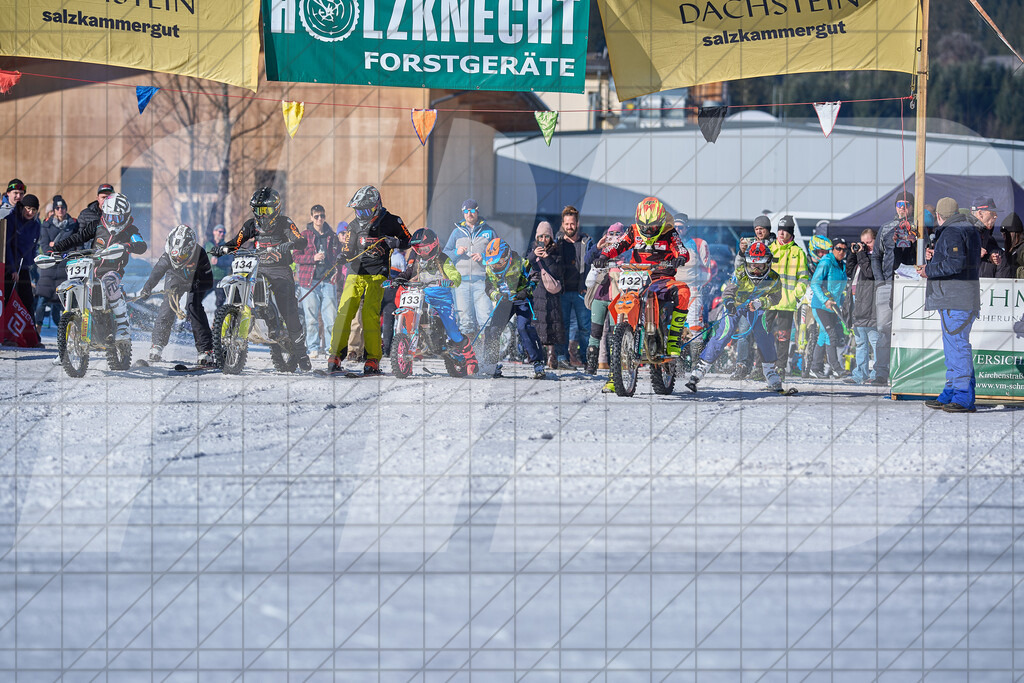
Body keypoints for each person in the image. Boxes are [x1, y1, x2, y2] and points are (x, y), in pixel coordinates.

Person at [218, 187, 312, 372]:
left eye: (266, 210)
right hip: (257, 268)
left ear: (276, 208)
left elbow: (300, 240)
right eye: (258, 210)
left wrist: (290, 244)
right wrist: (222, 249)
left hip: (280, 271)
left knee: (288, 309)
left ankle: (301, 353)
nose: (262, 214)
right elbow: (237, 241)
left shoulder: (285, 223)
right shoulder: (251, 225)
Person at [592, 196, 690, 366]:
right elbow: (618, 245)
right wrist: (603, 256)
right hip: (638, 276)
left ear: (660, 222)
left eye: (652, 227)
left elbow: (680, 248)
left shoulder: (669, 231)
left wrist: (680, 257)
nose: (647, 230)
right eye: (644, 226)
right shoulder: (633, 230)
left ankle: (674, 336)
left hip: (662, 278)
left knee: (683, 291)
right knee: (620, 304)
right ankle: (616, 370)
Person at [327, 185, 411, 375]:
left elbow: (409, 239)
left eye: (364, 210)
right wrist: (343, 256)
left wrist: (396, 242)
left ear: (375, 206)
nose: (360, 214)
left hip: (377, 274)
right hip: (355, 273)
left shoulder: (391, 220)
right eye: (357, 210)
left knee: (369, 315)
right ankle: (336, 356)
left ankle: (373, 359)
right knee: (344, 312)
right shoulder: (354, 225)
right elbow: (348, 249)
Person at [686, 241, 786, 393]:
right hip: (737, 305)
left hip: (757, 306)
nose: (757, 270)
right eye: (753, 265)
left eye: (761, 265)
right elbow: (728, 291)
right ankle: (701, 368)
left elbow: (776, 297)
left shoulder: (773, 278)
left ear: (768, 263)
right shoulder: (740, 273)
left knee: (764, 333)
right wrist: (730, 303)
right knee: (725, 332)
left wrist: (762, 302)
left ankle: (770, 371)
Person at [50, 192, 147, 343]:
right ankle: (69, 337)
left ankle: (123, 324)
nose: (113, 222)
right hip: (91, 268)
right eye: (110, 217)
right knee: (76, 283)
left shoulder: (130, 230)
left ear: (126, 216)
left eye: (118, 218)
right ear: (104, 214)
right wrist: (56, 248)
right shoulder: (97, 225)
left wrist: (127, 246)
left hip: (112, 271)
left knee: (109, 282)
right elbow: (78, 237)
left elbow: (141, 245)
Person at [917, 197, 982, 413]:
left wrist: (929, 270)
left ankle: (963, 397)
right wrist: (936, 257)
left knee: (958, 347)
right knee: (953, 348)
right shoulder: (965, 228)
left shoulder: (953, 230)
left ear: (939, 215)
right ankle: (952, 391)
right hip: (959, 296)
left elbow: (956, 263)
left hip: (956, 298)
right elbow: (958, 259)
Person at [395, 228, 477, 371]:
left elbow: (455, 275)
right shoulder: (418, 260)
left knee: (452, 332)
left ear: (433, 246)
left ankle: (471, 359)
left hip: (442, 299)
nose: (422, 253)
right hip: (423, 295)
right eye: (418, 249)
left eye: (425, 249)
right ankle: (409, 351)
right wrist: (398, 279)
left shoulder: (443, 259)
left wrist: (450, 280)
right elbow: (409, 272)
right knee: (409, 316)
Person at [133, 224, 215, 366]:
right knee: (167, 307)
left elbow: (208, 282)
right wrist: (147, 288)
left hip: (196, 280)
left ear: (190, 250)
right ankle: (157, 344)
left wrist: (195, 286)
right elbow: (157, 272)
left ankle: (206, 350)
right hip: (175, 277)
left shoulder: (200, 254)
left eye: (182, 255)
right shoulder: (168, 256)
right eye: (174, 255)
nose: (177, 259)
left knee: (193, 307)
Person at [870, 191, 918, 386]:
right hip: (888, 283)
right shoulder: (887, 227)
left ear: (913, 207)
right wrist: (880, 281)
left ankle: (907, 371)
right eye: (899, 203)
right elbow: (876, 256)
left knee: (910, 329)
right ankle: (881, 372)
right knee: (883, 329)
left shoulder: (920, 227)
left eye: (906, 204)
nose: (902, 207)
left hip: (912, 285)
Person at [481, 237, 546, 379]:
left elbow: (535, 277)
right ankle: (490, 363)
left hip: (522, 300)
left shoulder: (521, 263)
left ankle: (538, 362)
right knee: (493, 329)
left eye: (498, 262)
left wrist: (526, 291)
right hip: (504, 301)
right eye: (492, 262)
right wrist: (497, 296)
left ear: (506, 257)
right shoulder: (490, 268)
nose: (495, 265)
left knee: (523, 327)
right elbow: (489, 287)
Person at [761, 214, 808, 379]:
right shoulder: (770, 249)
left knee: (783, 337)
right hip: (768, 300)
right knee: (762, 334)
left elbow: (803, 278)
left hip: (787, 302)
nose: (781, 233)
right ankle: (762, 366)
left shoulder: (798, 252)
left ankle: (780, 368)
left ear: (791, 233)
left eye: (785, 230)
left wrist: (796, 295)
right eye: (780, 230)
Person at [294, 204, 341, 359]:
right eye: (316, 216)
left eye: (322, 216)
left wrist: (336, 273)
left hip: (328, 281)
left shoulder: (332, 236)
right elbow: (296, 256)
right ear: (311, 218)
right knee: (311, 318)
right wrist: (312, 258)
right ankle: (313, 347)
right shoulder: (304, 235)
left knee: (330, 319)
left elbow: (339, 258)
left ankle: (330, 348)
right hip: (309, 282)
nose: (320, 219)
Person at [443, 199, 495, 338]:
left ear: (477, 211)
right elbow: (445, 255)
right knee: (465, 320)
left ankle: (487, 354)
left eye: (472, 211)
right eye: (466, 211)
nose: (469, 214)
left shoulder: (488, 232)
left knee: (486, 318)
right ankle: (469, 354)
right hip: (461, 283)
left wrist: (484, 257)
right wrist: (456, 252)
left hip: (482, 282)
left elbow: (498, 254)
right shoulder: (456, 233)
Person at [554, 205, 594, 367]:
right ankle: (561, 358)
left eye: (572, 224)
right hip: (562, 291)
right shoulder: (557, 243)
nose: (569, 227)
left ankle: (586, 360)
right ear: (562, 224)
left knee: (585, 328)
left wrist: (588, 285)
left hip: (581, 291)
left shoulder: (587, 242)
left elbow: (593, 262)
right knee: (561, 327)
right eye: (566, 224)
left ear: (577, 224)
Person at [583, 222, 625, 374]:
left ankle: (616, 365)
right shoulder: (602, 250)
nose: (613, 237)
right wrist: (598, 247)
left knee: (615, 334)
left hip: (617, 298)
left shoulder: (626, 251)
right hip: (599, 295)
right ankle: (591, 365)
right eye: (611, 234)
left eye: (617, 234)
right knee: (595, 331)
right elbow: (587, 260)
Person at [34, 195, 79, 330]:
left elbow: (75, 245)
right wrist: (60, 247)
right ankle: (37, 330)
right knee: (42, 301)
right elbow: (45, 245)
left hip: (65, 268)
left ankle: (67, 332)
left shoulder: (73, 224)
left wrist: (56, 245)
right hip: (49, 267)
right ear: (54, 210)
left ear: (66, 209)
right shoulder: (46, 225)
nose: (60, 210)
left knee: (65, 303)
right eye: (58, 208)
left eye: (63, 208)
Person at [673, 214, 712, 366]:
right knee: (674, 327)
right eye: (674, 227)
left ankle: (696, 363)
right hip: (673, 289)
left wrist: (702, 285)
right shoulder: (668, 243)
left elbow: (707, 269)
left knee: (695, 326)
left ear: (687, 228)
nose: (677, 230)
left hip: (693, 290)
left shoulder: (699, 243)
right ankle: (677, 364)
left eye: (680, 227)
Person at [808, 237, 849, 378]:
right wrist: (825, 300)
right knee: (831, 335)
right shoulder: (826, 262)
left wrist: (842, 304)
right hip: (820, 305)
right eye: (838, 248)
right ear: (833, 249)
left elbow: (839, 289)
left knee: (823, 336)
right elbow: (815, 283)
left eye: (844, 249)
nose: (841, 252)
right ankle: (836, 367)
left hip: (833, 307)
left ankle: (815, 367)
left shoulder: (841, 265)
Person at [527, 221, 566, 368]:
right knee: (537, 324)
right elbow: (526, 265)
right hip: (536, 291)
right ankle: (538, 356)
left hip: (551, 293)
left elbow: (557, 271)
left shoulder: (556, 250)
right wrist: (533, 256)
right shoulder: (532, 249)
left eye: (546, 236)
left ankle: (551, 355)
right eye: (540, 236)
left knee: (551, 323)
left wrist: (546, 258)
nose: (543, 239)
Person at [845, 229, 879, 384]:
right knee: (860, 343)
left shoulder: (876, 257)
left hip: (871, 307)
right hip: (857, 304)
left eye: (868, 242)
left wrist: (862, 254)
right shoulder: (862, 257)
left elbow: (870, 272)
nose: (865, 246)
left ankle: (877, 374)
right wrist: (853, 254)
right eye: (862, 243)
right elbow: (849, 271)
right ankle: (860, 374)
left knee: (875, 342)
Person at [3, 194, 42, 314]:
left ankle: (30, 332)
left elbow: (34, 245)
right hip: (9, 268)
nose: (30, 212)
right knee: (7, 299)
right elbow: (7, 246)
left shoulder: (36, 225)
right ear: (22, 207)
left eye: (33, 210)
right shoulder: (12, 220)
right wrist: (12, 269)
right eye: (28, 208)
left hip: (24, 268)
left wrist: (30, 263)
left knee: (27, 301)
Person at [969, 196, 1001, 277]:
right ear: (980, 213)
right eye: (992, 213)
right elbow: (952, 252)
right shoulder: (964, 229)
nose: (996, 216)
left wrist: (990, 258)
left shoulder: (985, 231)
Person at [204, 224, 231, 308]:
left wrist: (219, 262)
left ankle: (217, 320)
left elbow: (230, 261)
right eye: (220, 231)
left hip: (221, 278)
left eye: (224, 232)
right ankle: (189, 319)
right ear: (214, 232)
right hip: (208, 278)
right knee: (197, 298)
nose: (222, 234)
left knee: (220, 302)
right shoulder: (207, 245)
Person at [996, 213, 1024, 279]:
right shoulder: (1013, 250)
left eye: (1006, 234)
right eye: (1002, 234)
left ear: (1015, 233)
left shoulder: (1022, 249)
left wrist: (1018, 272)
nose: (1003, 237)